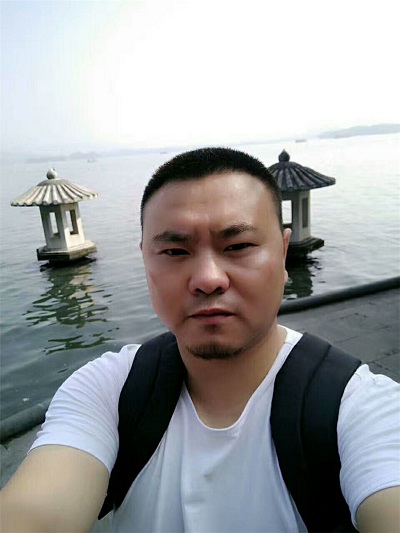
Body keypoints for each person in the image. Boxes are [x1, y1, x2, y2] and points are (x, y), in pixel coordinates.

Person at [1, 147, 399, 532]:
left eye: (238, 246)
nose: (208, 279)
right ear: (145, 259)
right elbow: (37, 512)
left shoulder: (360, 407)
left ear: (282, 252)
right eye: (175, 251)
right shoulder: (108, 391)